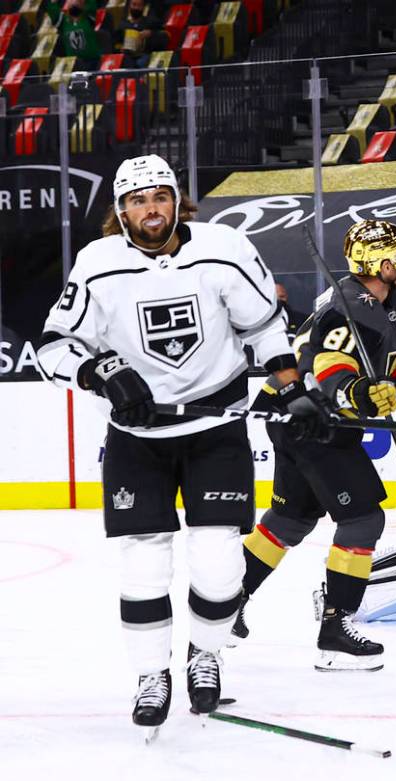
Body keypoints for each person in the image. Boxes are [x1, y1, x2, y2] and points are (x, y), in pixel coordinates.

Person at [35, 155, 330, 734]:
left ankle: (206, 655)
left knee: (221, 567)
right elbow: (54, 347)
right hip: (136, 439)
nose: (151, 208)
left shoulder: (222, 248)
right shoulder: (97, 265)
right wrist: (102, 375)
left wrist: (293, 389)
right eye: (137, 200)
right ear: (120, 212)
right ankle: (151, 673)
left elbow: (263, 327)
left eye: (160, 196)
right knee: (143, 565)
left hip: (213, 431)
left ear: (177, 200)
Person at [233, 220, 396, 671]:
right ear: (380, 262)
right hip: (314, 423)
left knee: (290, 519)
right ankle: (335, 630)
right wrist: (356, 393)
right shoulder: (349, 305)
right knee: (363, 518)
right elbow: (324, 365)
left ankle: (222, 606)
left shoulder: (385, 305)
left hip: (295, 421)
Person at [46, 0, 105, 70]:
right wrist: (53, 2)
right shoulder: (63, 21)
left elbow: (91, 4)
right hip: (74, 64)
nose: (74, 2)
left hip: (93, 62)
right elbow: (52, 10)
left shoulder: (88, 17)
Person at [116, 0, 166, 70]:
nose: (136, 8)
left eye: (139, 5)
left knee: (142, 62)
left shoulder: (151, 23)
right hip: (128, 55)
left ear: (143, 7)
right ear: (129, 6)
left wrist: (151, 33)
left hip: (145, 54)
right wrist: (120, 48)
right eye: (134, 4)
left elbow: (163, 36)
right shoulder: (122, 25)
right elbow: (116, 43)